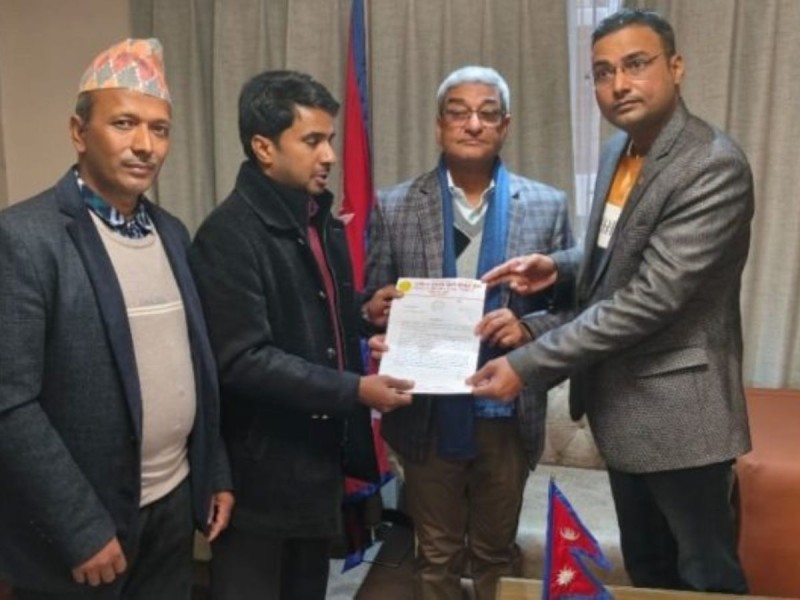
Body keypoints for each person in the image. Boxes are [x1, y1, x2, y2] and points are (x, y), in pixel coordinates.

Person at [470, 9, 753, 594]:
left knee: (705, 579)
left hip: (683, 419)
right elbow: (620, 253)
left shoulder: (710, 165)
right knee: (646, 577)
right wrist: (558, 267)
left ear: (675, 67)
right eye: (602, 72)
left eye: (636, 64)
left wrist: (527, 364)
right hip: (621, 411)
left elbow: (648, 298)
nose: (618, 84)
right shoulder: (619, 152)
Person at [0, 39, 233, 600]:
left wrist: (214, 469)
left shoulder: (172, 233)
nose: (145, 145)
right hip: (86, 526)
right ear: (79, 133)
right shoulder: (25, 239)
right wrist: (79, 526)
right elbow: (10, 403)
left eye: (160, 129)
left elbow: (195, 368)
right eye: (124, 124)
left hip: (173, 504)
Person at [187, 70, 414, 600]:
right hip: (259, 477)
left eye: (330, 139)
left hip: (316, 467)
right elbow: (243, 359)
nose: (329, 155)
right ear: (264, 147)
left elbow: (309, 311)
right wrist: (355, 389)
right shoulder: (228, 235)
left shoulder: (317, 219)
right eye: (312, 141)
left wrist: (363, 312)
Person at [363, 65, 573, 600]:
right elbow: (371, 302)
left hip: (507, 410)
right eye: (458, 112)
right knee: (434, 554)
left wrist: (526, 326)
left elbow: (571, 311)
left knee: (495, 552)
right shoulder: (395, 205)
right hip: (427, 411)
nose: (472, 123)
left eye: (487, 113)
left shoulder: (547, 204)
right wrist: (376, 313)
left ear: (505, 125)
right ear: (439, 125)